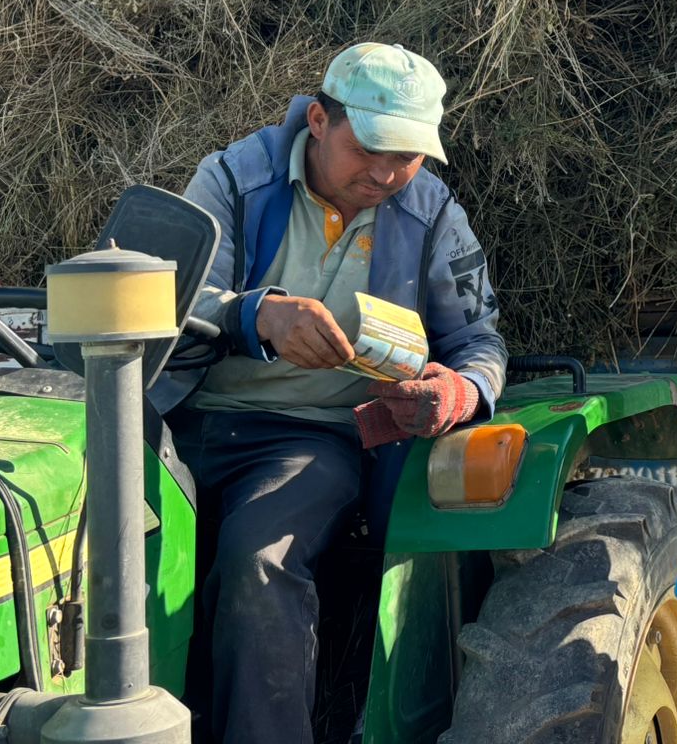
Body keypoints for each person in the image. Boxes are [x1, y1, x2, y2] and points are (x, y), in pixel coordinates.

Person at [172, 42, 508, 744]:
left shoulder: (432, 214)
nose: (385, 174)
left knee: (260, 556)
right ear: (319, 121)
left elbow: (479, 341)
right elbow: (166, 300)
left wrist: (458, 392)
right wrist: (256, 315)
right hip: (183, 415)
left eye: (407, 157)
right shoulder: (234, 178)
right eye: (369, 150)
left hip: (309, 436)